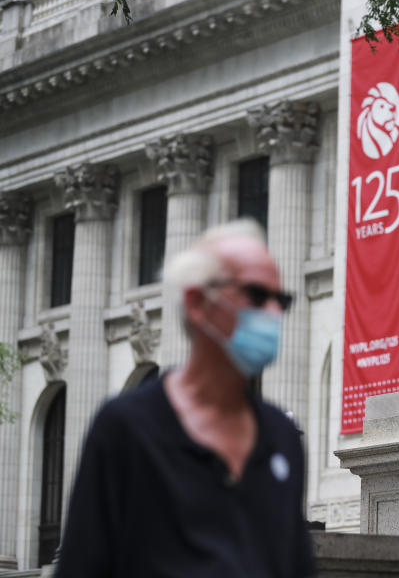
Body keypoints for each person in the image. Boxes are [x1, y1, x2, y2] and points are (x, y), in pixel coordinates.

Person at [56, 220, 315, 578]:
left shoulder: (283, 437)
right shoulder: (125, 429)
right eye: (256, 296)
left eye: (280, 300)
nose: (273, 313)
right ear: (197, 304)